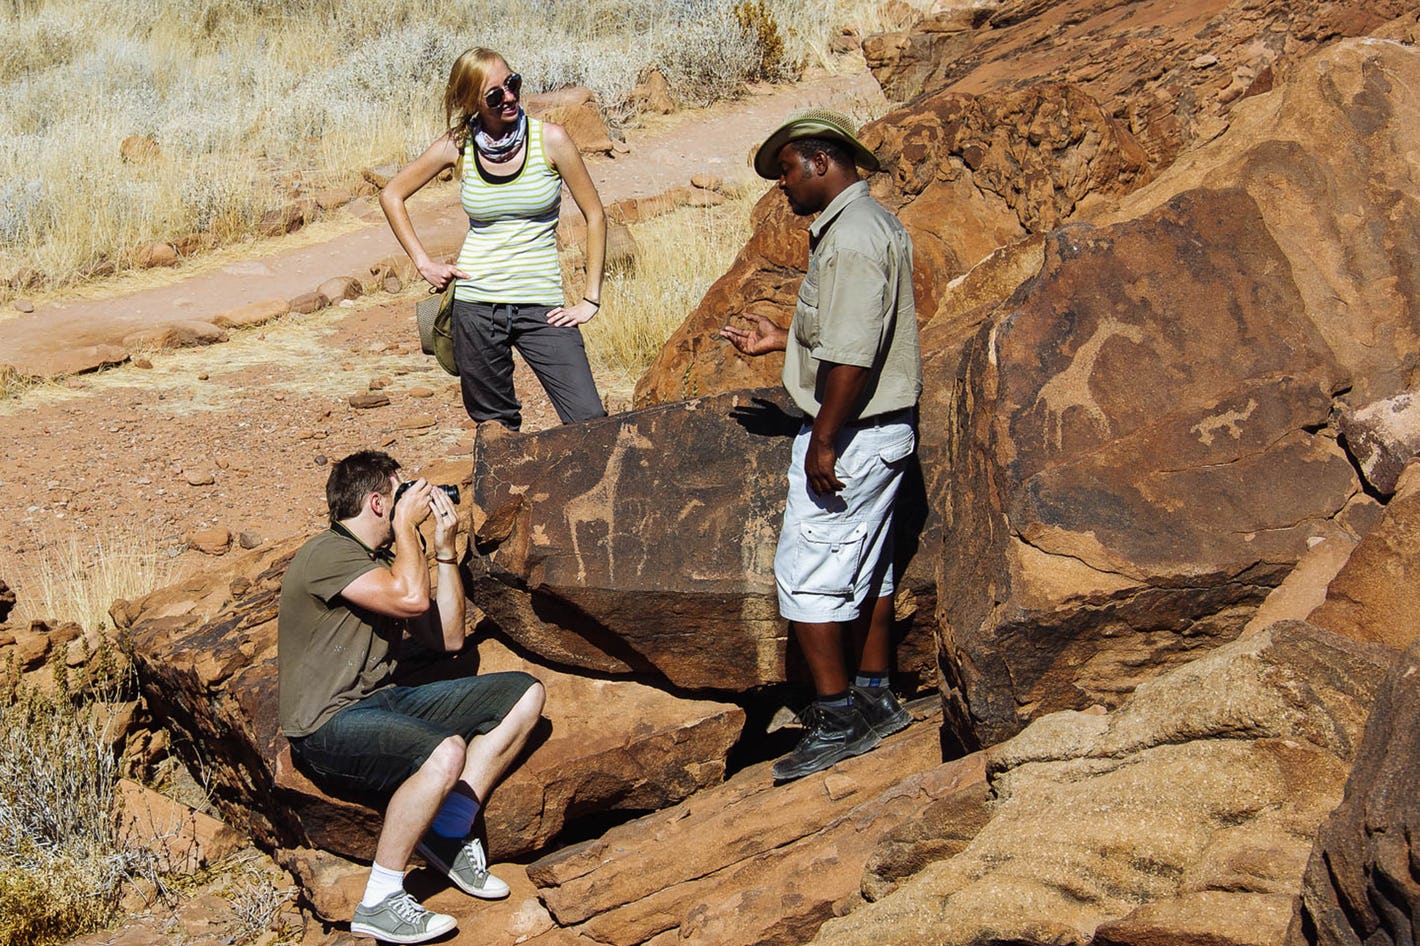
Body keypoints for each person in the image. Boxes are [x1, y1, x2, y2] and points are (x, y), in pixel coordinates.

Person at [721, 109, 922, 782]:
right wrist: (781, 341)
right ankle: (875, 698)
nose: (782, 187)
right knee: (869, 570)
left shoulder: (855, 238)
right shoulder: (860, 227)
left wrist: (825, 440)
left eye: (786, 171)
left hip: (857, 431)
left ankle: (836, 721)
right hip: (873, 430)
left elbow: (856, 354)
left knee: (807, 577)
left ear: (820, 162)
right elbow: (845, 329)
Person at [278, 450, 545, 943]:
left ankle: (448, 829)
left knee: (524, 695)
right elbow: (409, 599)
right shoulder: (327, 553)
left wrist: (443, 551)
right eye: (402, 494)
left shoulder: (384, 561)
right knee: (445, 752)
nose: (413, 504)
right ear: (378, 503)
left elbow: (447, 638)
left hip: (383, 700)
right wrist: (407, 531)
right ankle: (380, 899)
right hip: (325, 725)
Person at [381, 47, 607, 431]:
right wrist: (424, 262)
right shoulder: (458, 145)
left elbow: (596, 215)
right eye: (495, 94)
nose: (510, 97)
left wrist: (590, 298)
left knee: (590, 422)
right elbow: (392, 194)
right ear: (471, 101)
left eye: (513, 83)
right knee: (496, 429)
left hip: (542, 305)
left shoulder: (550, 140)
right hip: (476, 305)